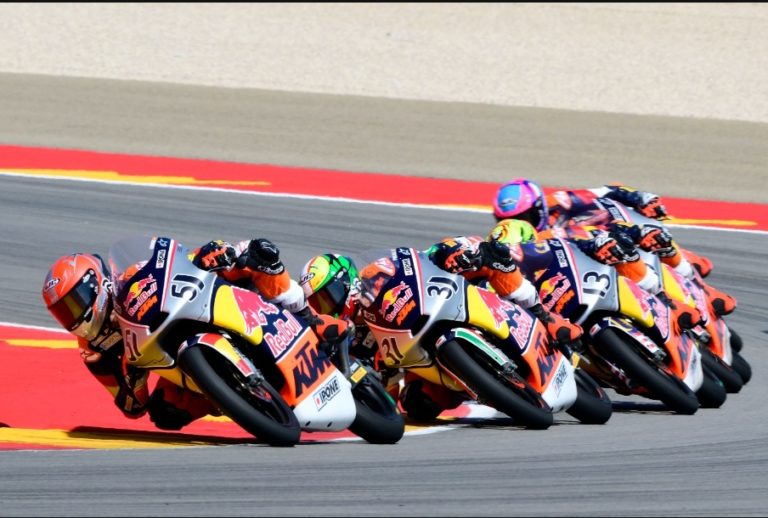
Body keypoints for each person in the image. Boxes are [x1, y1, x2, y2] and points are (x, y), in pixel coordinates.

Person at [42, 238, 347, 432]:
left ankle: (307, 318)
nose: (72, 317)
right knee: (165, 413)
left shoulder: (130, 276)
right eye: (62, 313)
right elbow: (130, 408)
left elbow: (176, 263)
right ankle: (234, 397)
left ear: (98, 285)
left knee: (254, 255)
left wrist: (208, 255)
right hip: (174, 360)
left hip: (199, 304)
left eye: (74, 304)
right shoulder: (94, 350)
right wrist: (133, 379)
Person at [299, 234, 584, 421]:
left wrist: (453, 253)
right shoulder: (350, 336)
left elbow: (418, 260)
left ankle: (545, 316)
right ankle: (472, 385)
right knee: (417, 405)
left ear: (346, 280)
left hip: (438, 304)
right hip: (419, 359)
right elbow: (382, 388)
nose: (327, 307)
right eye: (318, 304)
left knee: (493, 257)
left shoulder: (374, 274)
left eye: (328, 297)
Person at [491, 178, 734, 316]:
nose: (521, 224)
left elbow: (610, 190)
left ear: (540, 207)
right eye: (508, 220)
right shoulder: (518, 240)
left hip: (607, 240)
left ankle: (704, 289)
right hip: (577, 269)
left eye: (525, 217)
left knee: (649, 238)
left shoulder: (561, 201)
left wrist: (641, 199)